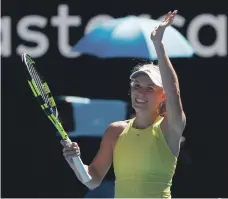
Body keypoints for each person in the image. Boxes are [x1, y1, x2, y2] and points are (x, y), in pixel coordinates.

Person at [62, 10, 186, 198]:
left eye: (150, 88)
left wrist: (158, 45)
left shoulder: (170, 128)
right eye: (137, 86)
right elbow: (92, 180)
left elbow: (173, 90)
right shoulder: (115, 131)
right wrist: (75, 161)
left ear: (163, 96)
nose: (140, 92)